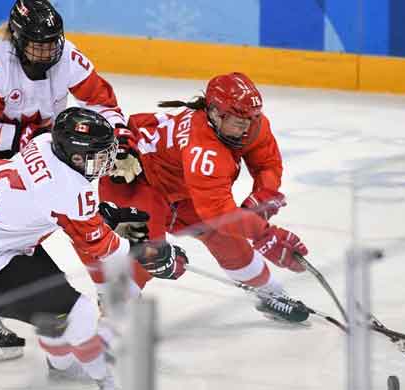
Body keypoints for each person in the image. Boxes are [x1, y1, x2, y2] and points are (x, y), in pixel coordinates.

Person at [0, 107, 188, 389]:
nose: (105, 164)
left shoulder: (44, 143)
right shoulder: (69, 188)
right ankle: (106, 381)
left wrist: (99, 214)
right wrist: (148, 253)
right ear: (75, 154)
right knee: (79, 311)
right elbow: (100, 246)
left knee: (59, 308)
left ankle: (62, 368)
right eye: (97, 156)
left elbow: (41, 198)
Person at [0, 0, 128, 361]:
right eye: (36, 44)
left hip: (40, 140)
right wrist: (42, 143)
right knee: (8, 230)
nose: (47, 51)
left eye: (52, 42)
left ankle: (61, 314)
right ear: (16, 38)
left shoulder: (68, 58)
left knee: (37, 219)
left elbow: (105, 102)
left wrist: (122, 142)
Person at [99, 72, 311, 323]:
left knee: (227, 241)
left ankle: (270, 294)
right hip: (134, 183)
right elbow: (218, 212)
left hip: (182, 190)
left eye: (251, 118)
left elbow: (267, 163)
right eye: (238, 120)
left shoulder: (252, 125)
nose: (246, 127)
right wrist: (263, 234)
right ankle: (113, 319)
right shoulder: (203, 150)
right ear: (214, 113)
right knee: (149, 255)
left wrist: (262, 195)